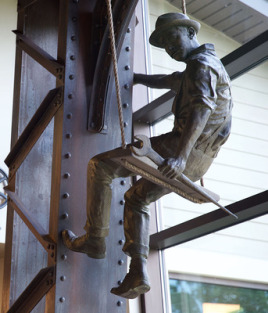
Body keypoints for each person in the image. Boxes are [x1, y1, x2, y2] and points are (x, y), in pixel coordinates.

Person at [62, 12, 233, 299]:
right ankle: (138, 271)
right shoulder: (205, 66)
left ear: (190, 33)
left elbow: (202, 109)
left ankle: (94, 239)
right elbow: (172, 80)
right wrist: (137, 78)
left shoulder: (201, 66)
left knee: (100, 166)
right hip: (200, 159)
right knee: (137, 198)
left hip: (182, 151)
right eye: (165, 44)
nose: (170, 47)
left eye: (173, 38)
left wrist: (179, 156)